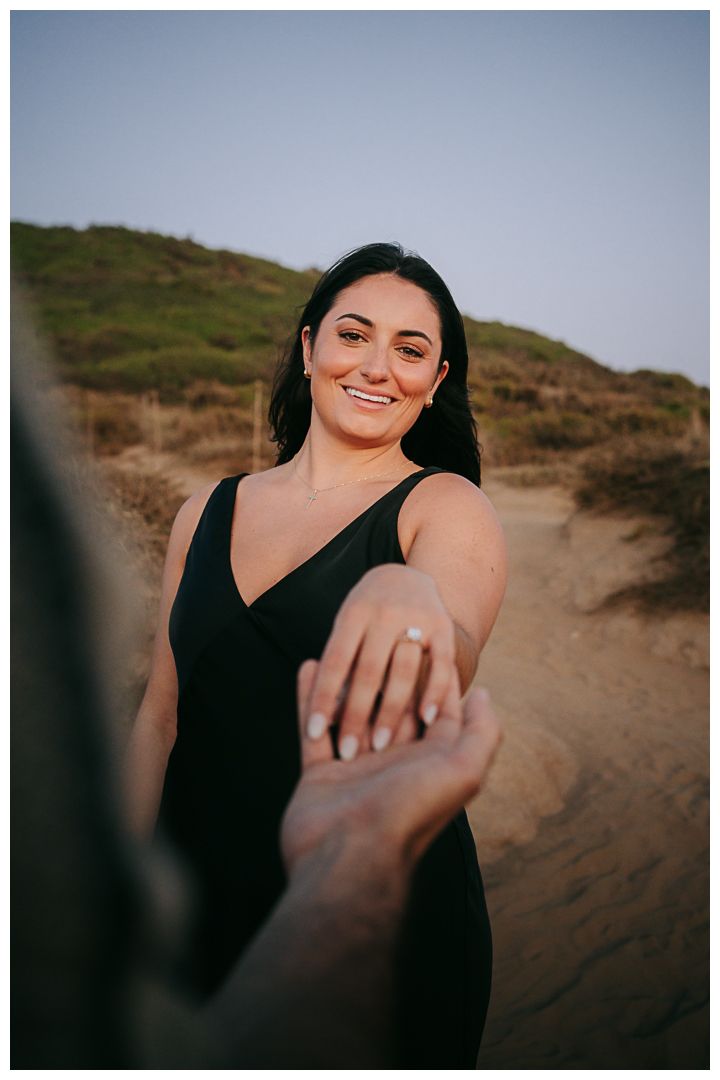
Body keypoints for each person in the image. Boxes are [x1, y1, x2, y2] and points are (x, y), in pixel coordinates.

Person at [11, 290, 503, 1068]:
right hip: (192, 897)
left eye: (409, 351)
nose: (378, 367)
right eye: (354, 335)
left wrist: (408, 596)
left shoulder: (444, 504)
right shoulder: (202, 510)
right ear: (309, 349)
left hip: (368, 906)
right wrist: (113, 894)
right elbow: (159, 719)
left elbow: (457, 643)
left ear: (435, 380)